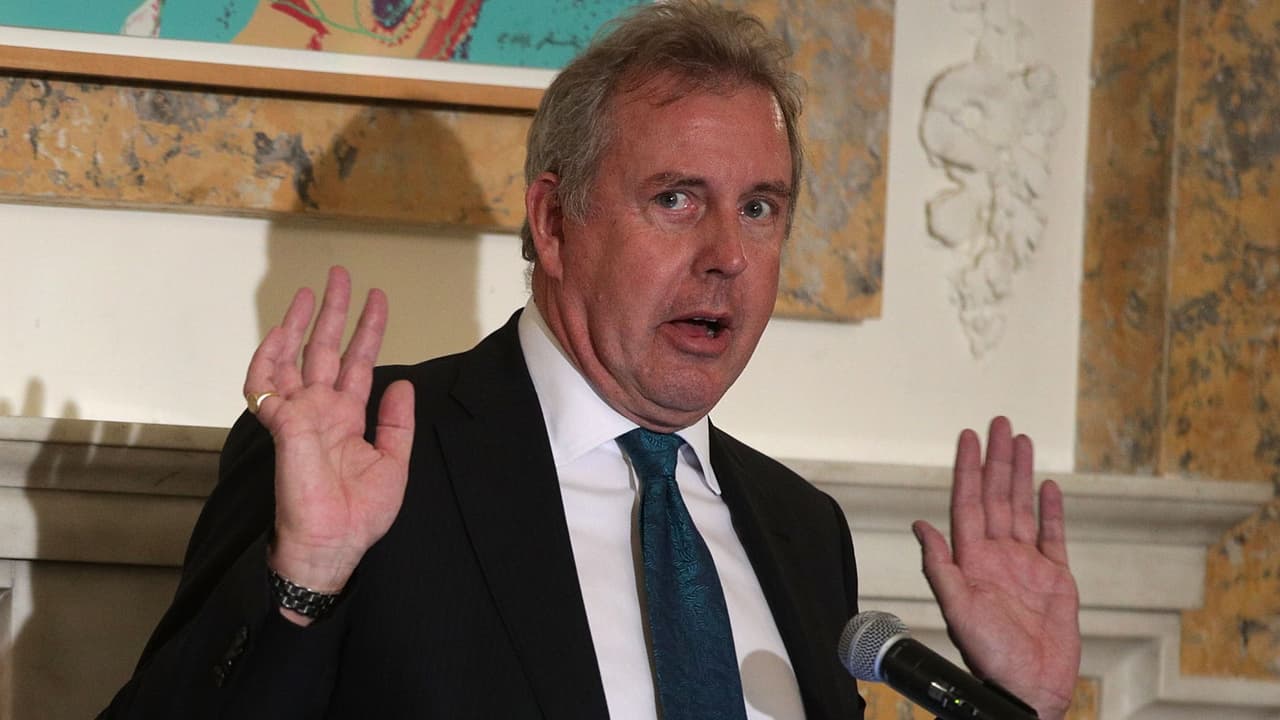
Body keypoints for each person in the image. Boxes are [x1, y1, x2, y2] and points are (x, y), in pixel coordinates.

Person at [102, 2, 1080, 718]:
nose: (727, 256)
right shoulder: (366, 456)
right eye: (675, 199)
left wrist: (1021, 705)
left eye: (759, 208)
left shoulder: (801, 530)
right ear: (553, 221)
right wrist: (302, 580)